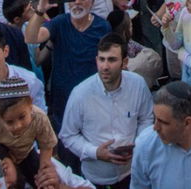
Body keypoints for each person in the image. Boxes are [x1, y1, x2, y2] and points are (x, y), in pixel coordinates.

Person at [59, 34, 153, 189]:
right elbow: (67, 135)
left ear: (125, 62)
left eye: (112, 60)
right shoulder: (80, 94)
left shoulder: (138, 85)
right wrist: (95, 152)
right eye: (101, 59)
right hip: (95, 179)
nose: (105, 66)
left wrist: (138, 144)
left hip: (132, 174)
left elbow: (146, 119)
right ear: (96, 60)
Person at [27, 0, 109, 126]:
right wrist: (40, 9)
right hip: (63, 97)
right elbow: (31, 38)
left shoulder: (102, 27)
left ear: (92, 1)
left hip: (93, 96)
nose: (77, 2)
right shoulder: (59, 23)